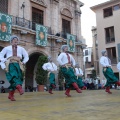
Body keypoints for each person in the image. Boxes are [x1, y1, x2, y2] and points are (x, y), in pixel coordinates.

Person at [0, 35, 29, 101]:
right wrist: (4, 60)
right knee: (14, 76)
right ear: (11, 41)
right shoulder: (7, 48)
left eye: (16, 40)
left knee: (19, 77)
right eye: (14, 39)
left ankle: (11, 95)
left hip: (18, 64)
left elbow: (26, 55)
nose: (15, 41)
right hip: (10, 64)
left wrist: (24, 62)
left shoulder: (21, 49)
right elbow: (1, 54)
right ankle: (19, 88)